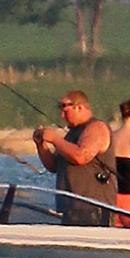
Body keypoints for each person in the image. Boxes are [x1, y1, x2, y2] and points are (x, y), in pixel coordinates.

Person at [35, 90, 117, 218]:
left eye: (65, 110)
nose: (62, 115)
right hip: (69, 209)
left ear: (79, 107)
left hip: (94, 210)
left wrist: (55, 139)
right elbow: (53, 166)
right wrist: (41, 144)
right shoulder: (71, 134)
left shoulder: (96, 127)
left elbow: (81, 156)